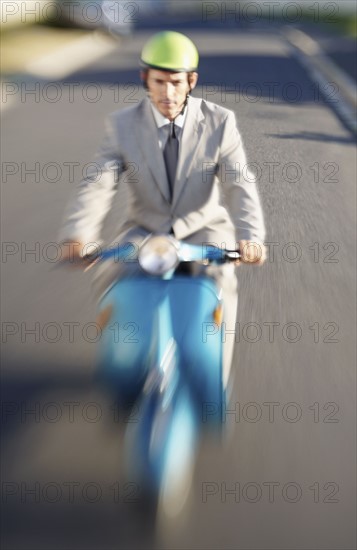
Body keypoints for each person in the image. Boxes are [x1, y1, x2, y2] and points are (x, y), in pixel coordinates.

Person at [59, 30, 266, 388]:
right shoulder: (122, 125)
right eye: (159, 82)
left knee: (219, 285)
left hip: (205, 230)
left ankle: (214, 375)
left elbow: (239, 183)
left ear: (191, 82)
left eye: (175, 82)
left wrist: (251, 238)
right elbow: (98, 182)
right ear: (145, 80)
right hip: (144, 231)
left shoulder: (220, 122)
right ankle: (123, 361)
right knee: (109, 277)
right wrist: (80, 234)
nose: (167, 93)